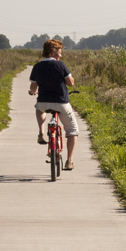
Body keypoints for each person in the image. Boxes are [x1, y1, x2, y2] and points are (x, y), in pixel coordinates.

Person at [29, 39, 79, 170]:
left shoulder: (37, 66)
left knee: (39, 109)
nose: (60, 55)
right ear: (52, 52)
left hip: (43, 102)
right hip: (61, 102)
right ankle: (69, 161)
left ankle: (41, 132)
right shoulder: (60, 65)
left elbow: (33, 87)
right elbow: (70, 83)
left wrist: (32, 92)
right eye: (59, 52)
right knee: (72, 131)